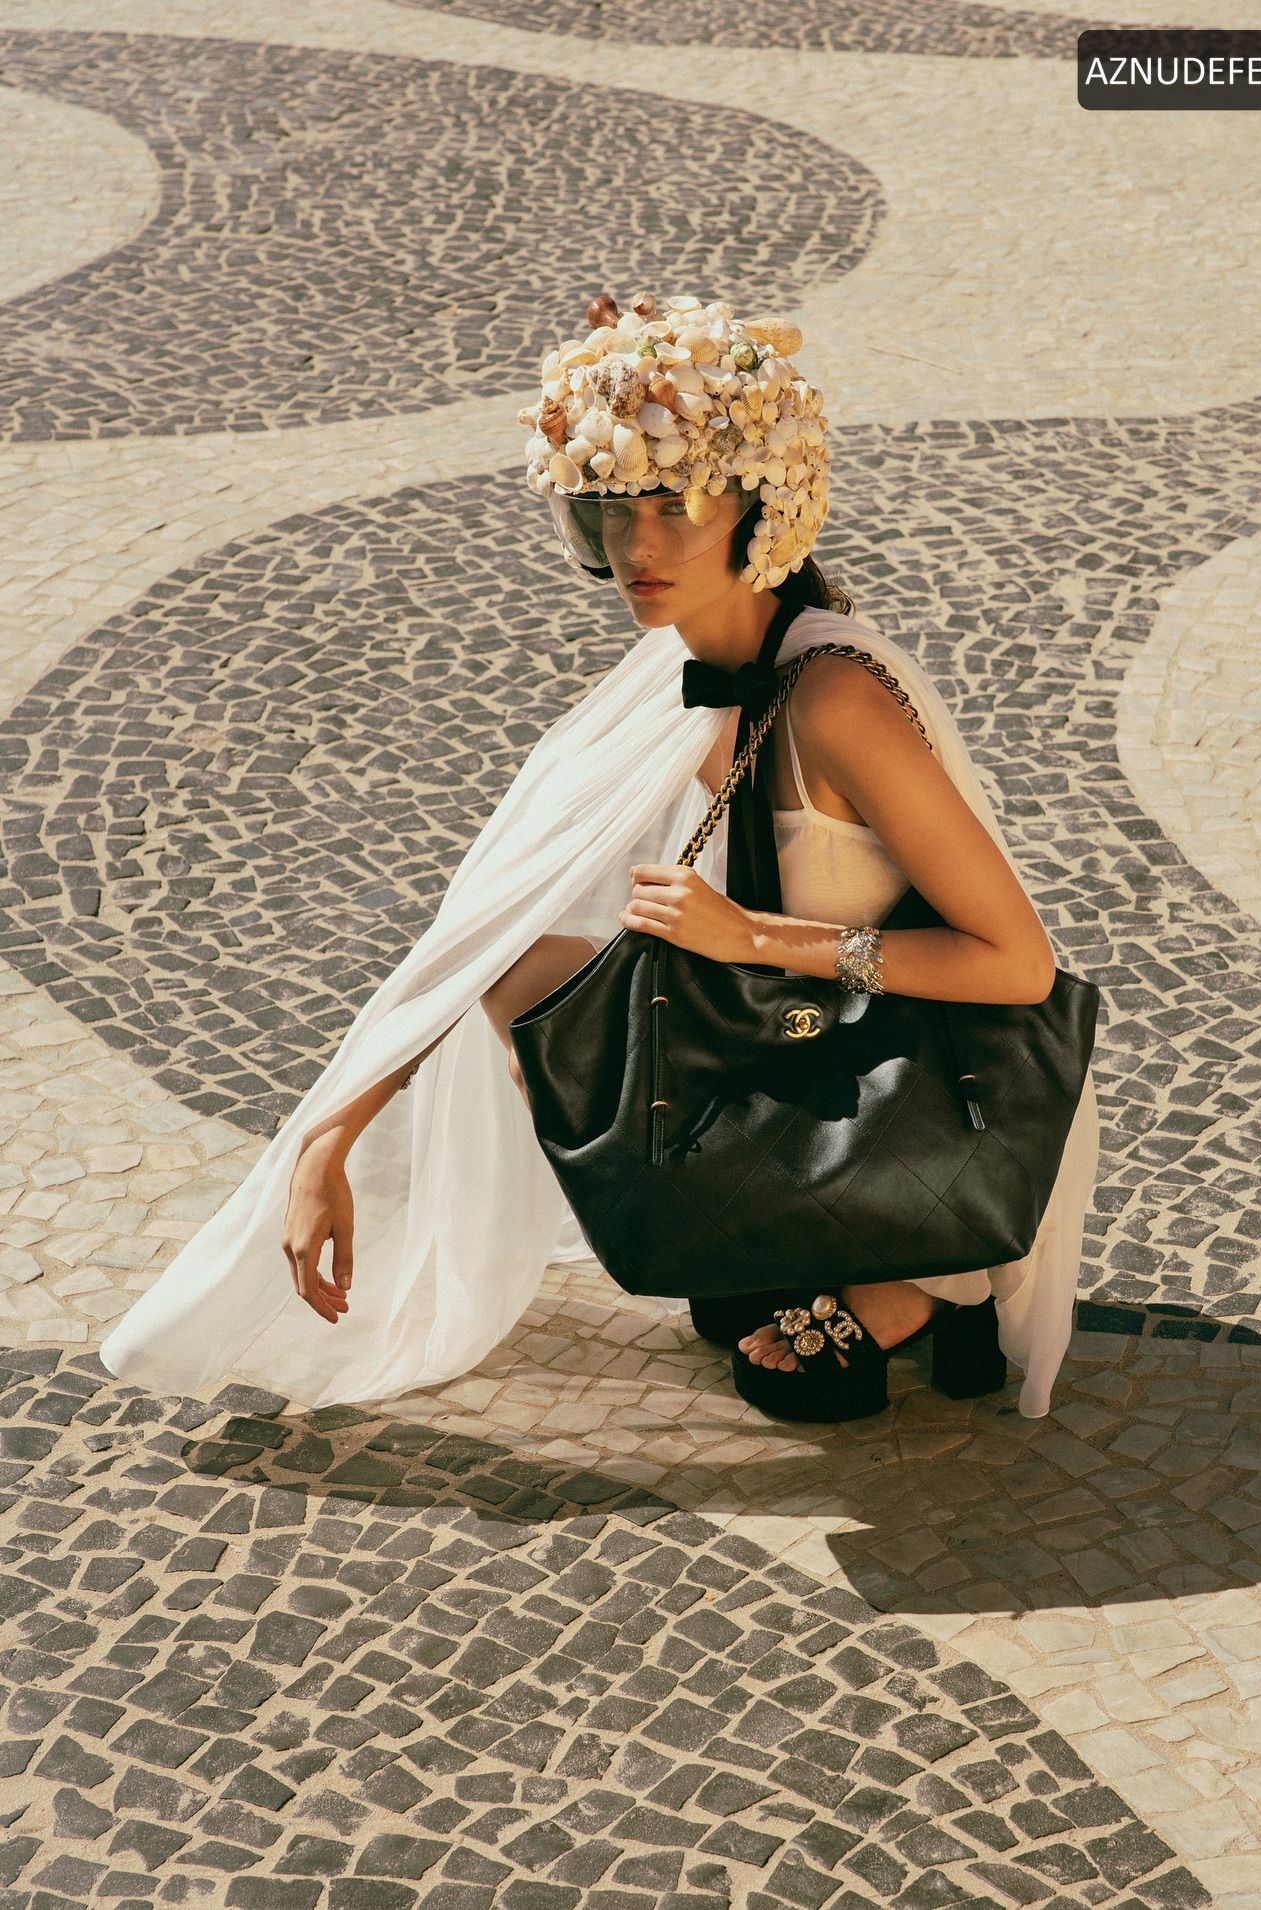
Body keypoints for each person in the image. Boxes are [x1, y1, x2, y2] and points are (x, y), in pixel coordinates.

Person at [97, 291, 1099, 1422]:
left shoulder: (837, 701)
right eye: (610, 513)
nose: (638, 549)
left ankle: (922, 1282)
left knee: (796, 1358)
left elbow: (1018, 964)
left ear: (763, 510)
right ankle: (761, 1219)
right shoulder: (676, 676)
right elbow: (482, 921)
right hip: (781, 1036)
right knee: (521, 964)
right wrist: (330, 1139)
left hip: (906, 1073)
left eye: (675, 506)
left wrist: (757, 938)